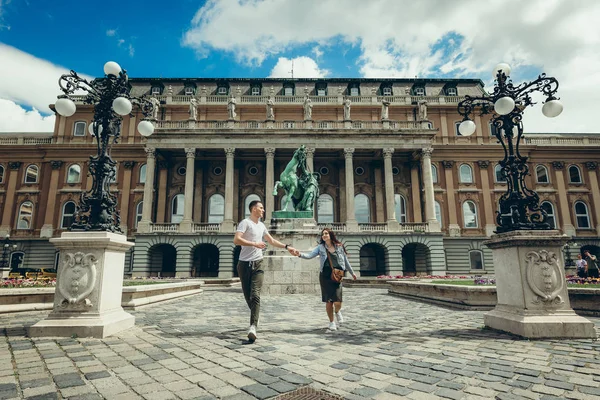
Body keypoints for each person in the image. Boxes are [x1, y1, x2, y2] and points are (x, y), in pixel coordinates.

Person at [233, 200, 298, 342]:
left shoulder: (262, 225)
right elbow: (237, 240)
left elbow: (272, 241)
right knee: (248, 297)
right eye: (261, 208)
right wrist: (254, 243)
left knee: (255, 295)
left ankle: (253, 327)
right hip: (243, 264)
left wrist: (288, 247)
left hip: (258, 264)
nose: (263, 210)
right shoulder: (245, 223)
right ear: (254, 209)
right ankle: (255, 316)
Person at [298, 228, 357, 331]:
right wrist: (299, 254)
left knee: (338, 301)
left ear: (330, 235)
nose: (324, 235)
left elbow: (345, 261)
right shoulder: (320, 247)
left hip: (337, 276)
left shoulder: (339, 247)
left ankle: (337, 311)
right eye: (323, 234)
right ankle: (331, 322)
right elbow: (310, 255)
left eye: (326, 233)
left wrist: (352, 273)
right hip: (325, 276)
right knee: (329, 301)